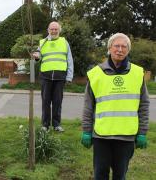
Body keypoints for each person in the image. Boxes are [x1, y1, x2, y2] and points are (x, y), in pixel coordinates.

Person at [81, 33, 149, 180]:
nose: (120, 49)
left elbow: (144, 105)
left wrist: (142, 132)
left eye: (124, 46)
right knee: (100, 175)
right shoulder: (96, 74)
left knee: (120, 175)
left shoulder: (137, 73)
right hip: (101, 136)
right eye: (116, 46)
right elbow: (88, 106)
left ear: (128, 50)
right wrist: (86, 131)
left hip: (126, 137)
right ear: (109, 48)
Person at [32, 21, 74, 132]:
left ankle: (56, 125)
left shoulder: (64, 42)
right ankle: (45, 125)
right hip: (46, 77)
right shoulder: (43, 42)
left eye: (56, 29)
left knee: (57, 102)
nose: (54, 31)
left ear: (59, 30)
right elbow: (38, 57)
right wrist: (36, 57)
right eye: (52, 29)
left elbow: (69, 60)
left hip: (60, 77)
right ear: (48, 30)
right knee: (45, 102)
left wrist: (69, 76)